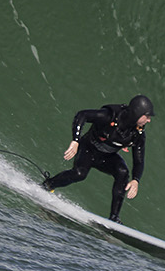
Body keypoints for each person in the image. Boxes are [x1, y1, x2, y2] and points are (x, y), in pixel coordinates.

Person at [42, 94, 153, 222]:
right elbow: (82, 115)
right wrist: (75, 140)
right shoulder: (110, 115)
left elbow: (139, 159)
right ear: (137, 113)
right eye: (147, 116)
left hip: (107, 157)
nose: (149, 120)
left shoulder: (137, 134)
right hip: (88, 149)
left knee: (123, 172)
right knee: (79, 173)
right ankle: (48, 185)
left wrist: (136, 179)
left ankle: (114, 218)